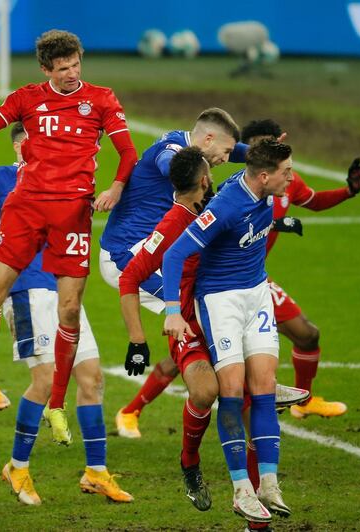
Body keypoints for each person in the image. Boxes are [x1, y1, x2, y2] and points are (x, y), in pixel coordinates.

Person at [0, 30, 137, 413]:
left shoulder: (101, 99)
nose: (72, 73)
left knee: (69, 309)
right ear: (45, 69)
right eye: (62, 68)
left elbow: (127, 154)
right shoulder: (28, 98)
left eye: (75, 64)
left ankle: (56, 401)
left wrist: (116, 189)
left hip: (72, 213)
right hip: (27, 207)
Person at [0, 122, 131, 504]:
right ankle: (18, 467)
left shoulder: (68, 177)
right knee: (44, 381)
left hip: (66, 293)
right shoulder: (6, 178)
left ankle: (96, 472)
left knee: (91, 380)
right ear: (22, 145)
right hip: (27, 294)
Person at [163, 139, 294, 524]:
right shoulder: (226, 206)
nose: (292, 178)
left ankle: (269, 484)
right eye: (287, 172)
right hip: (221, 302)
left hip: (257, 294)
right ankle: (241, 490)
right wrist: (173, 312)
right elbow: (174, 255)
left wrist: (248, 143)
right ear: (266, 176)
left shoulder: (261, 184)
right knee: (232, 392)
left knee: (265, 385)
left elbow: (246, 154)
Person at [100, 108, 243, 438]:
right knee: (199, 318)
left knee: (200, 331)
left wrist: (262, 155)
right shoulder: (172, 154)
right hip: (129, 253)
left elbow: (231, 149)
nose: (225, 160)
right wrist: (137, 341)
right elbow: (171, 165)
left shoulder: (197, 148)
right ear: (207, 141)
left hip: (158, 247)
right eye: (223, 153)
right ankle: (255, 385)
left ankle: (133, 409)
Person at [240, 119, 360, 419]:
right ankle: (132, 410)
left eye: (271, 143)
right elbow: (232, 223)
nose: (265, 150)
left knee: (308, 335)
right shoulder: (241, 183)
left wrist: (349, 191)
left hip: (257, 278)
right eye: (258, 144)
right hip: (230, 279)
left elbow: (313, 201)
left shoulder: (287, 181)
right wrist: (275, 223)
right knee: (198, 359)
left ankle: (303, 402)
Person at [118, 147, 216, 511]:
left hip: (233, 315)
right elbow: (130, 277)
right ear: (203, 180)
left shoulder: (222, 207)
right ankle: (190, 462)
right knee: (206, 392)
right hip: (189, 323)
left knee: (245, 398)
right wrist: (137, 341)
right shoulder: (173, 223)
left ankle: (256, 488)